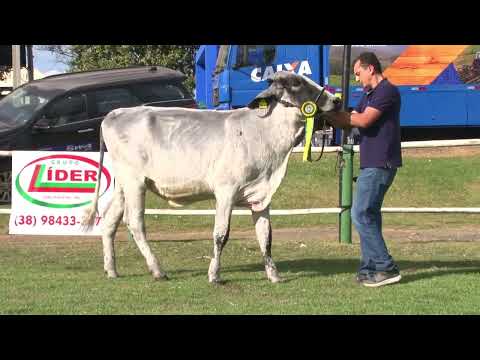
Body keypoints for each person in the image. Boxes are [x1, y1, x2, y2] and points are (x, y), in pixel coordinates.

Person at [323, 52, 402, 287]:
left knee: (359, 214)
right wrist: (325, 112)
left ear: (370, 69)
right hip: (371, 163)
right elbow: (349, 119)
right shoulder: (369, 95)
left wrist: (341, 115)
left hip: (380, 163)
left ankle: (386, 267)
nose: (357, 79)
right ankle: (369, 269)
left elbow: (364, 120)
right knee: (369, 217)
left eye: (358, 73)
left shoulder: (386, 91)